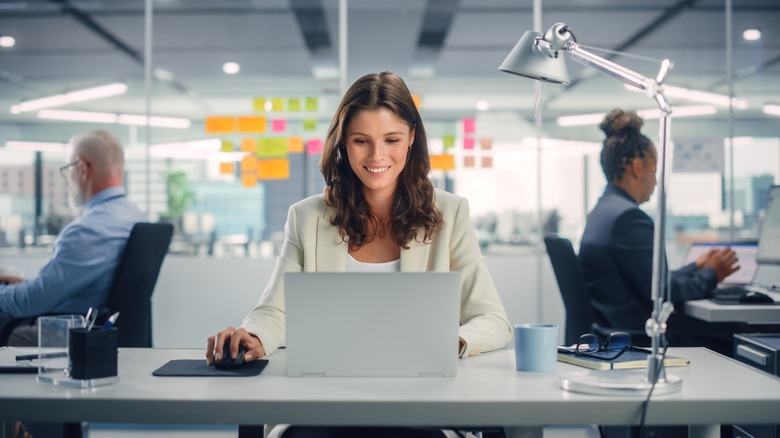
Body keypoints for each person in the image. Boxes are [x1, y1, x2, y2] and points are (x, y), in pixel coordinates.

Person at [206, 72, 513, 437]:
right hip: (324, 403)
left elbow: (493, 320)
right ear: (343, 144)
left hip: (422, 403)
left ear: (412, 138)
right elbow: (275, 309)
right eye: (361, 141)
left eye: (392, 139)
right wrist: (252, 337)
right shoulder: (306, 217)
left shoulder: (450, 213)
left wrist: (454, 340)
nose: (377, 156)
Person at [578, 108, 744, 355]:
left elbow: (651, 281)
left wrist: (696, 267)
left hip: (612, 331)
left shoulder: (603, 211)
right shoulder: (628, 219)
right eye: (654, 171)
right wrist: (711, 275)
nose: (655, 182)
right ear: (637, 167)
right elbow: (663, 295)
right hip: (640, 337)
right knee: (738, 334)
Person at [0, 130, 147, 346]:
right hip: (102, 331)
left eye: (67, 170)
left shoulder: (87, 231)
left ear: (83, 169)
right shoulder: (134, 216)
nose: (68, 179)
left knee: (11, 333)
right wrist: (24, 285)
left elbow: (31, 302)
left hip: (72, 334)